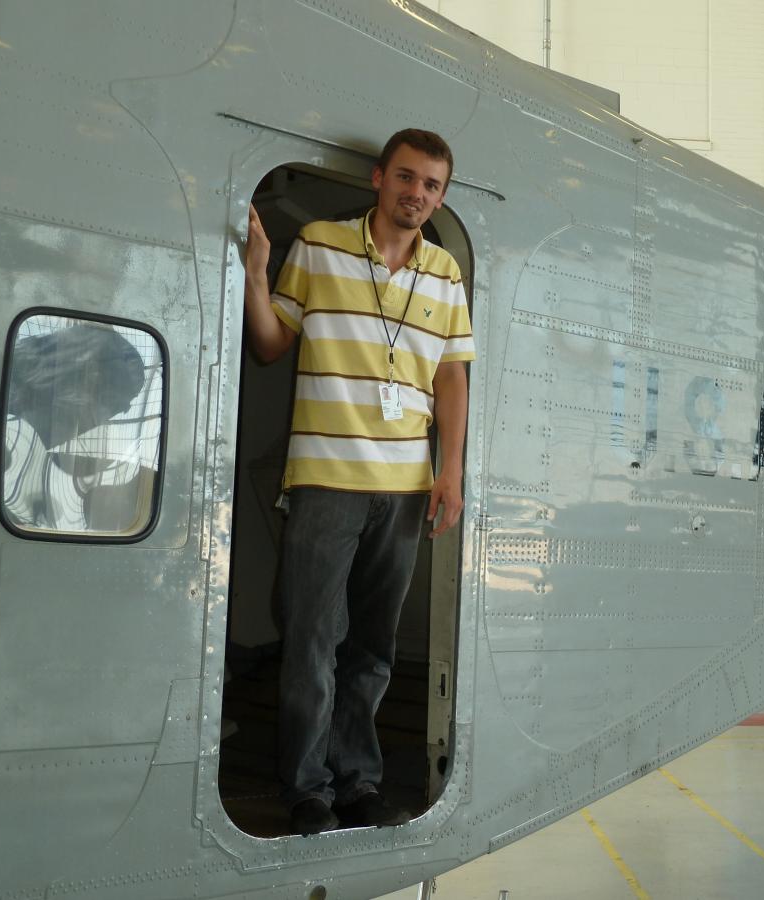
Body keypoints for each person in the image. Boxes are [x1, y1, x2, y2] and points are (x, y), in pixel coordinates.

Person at [242, 129, 473, 836]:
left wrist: (450, 470)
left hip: (403, 489)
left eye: (432, 185)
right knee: (313, 639)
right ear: (379, 178)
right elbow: (271, 344)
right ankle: (306, 786)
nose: (418, 194)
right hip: (324, 480)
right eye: (407, 178)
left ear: (441, 194)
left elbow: (449, 376)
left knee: (372, 647)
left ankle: (357, 780)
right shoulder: (317, 243)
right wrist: (257, 274)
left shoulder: (444, 274)